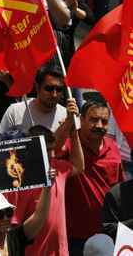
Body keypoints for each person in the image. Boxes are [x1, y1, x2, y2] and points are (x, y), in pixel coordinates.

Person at [4, 107, 84, 256]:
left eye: (53, 149)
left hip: (60, 251)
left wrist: (74, 135)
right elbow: (13, 227)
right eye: (47, 150)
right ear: (31, 149)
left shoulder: (56, 167)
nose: (52, 154)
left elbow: (78, 166)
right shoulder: (18, 180)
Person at [65, 99, 125, 255]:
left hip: (108, 236)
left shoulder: (112, 146)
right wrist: (67, 124)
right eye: (93, 120)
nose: (99, 125)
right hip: (75, 236)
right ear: (81, 119)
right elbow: (51, 150)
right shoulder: (69, 145)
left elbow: (121, 190)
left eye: (104, 121)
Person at [0, 172, 54, 255]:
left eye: (9, 212)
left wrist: (47, 188)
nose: (5, 218)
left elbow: (39, 215)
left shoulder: (16, 237)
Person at [44, 0, 94, 69]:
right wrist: (65, 4)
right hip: (47, 48)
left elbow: (90, 18)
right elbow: (51, 21)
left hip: (66, 49)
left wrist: (75, 9)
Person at [0, 67, 68, 137]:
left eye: (59, 89)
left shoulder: (67, 117)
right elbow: (1, 144)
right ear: (37, 87)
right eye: (49, 89)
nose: (54, 95)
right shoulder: (14, 111)